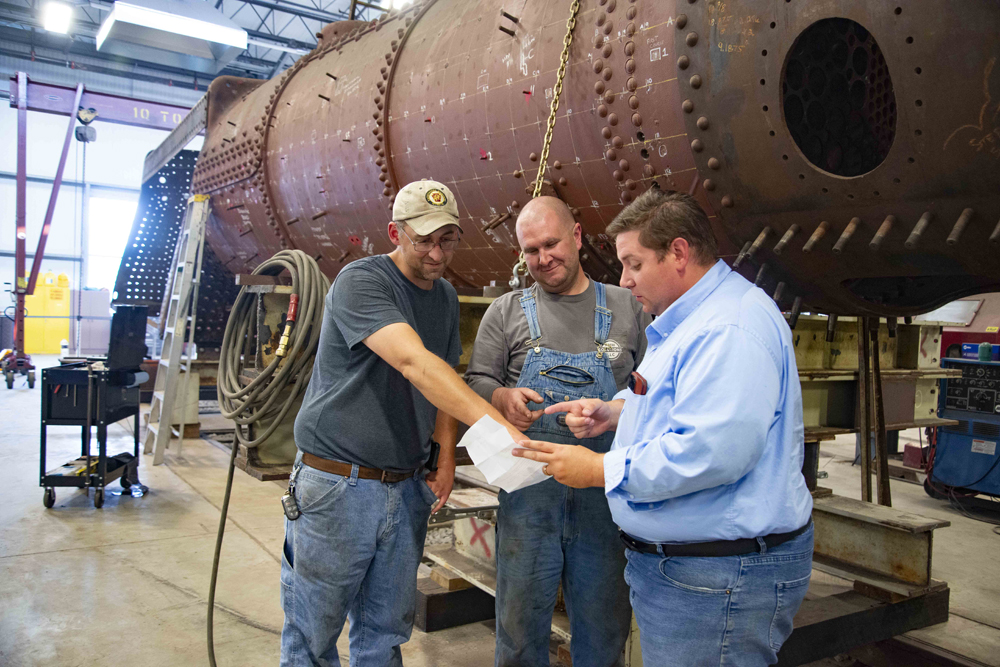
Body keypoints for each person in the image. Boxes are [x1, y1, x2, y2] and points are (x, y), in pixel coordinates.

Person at [513, 188, 814, 666]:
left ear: (678, 252)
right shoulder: (687, 322)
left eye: (634, 264)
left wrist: (600, 469)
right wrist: (613, 412)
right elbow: (676, 403)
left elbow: (711, 451)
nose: (626, 280)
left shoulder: (729, 329)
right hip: (694, 570)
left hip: (718, 577)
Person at [280, 179, 523, 667]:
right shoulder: (361, 282)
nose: (437, 253)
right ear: (395, 232)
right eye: (424, 240)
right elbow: (415, 363)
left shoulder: (446, 297)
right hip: (337, 486)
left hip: (406, 485)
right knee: (313, 634)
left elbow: (443, 383)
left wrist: (445, 455)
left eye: (448, 240)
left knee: (385, 631)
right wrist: (500, 428)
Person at [465, 196, 650, 667]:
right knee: (519, 632)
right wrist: (501, 397)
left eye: (551, 244)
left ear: (578, 236)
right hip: (529, 502)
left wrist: (613, 410)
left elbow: (654, 393)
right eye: (530, 250)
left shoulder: (629, 307)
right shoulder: (505, 312)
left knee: (604, 630)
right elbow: (477, 381)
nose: (542, 258)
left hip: (604, 504)